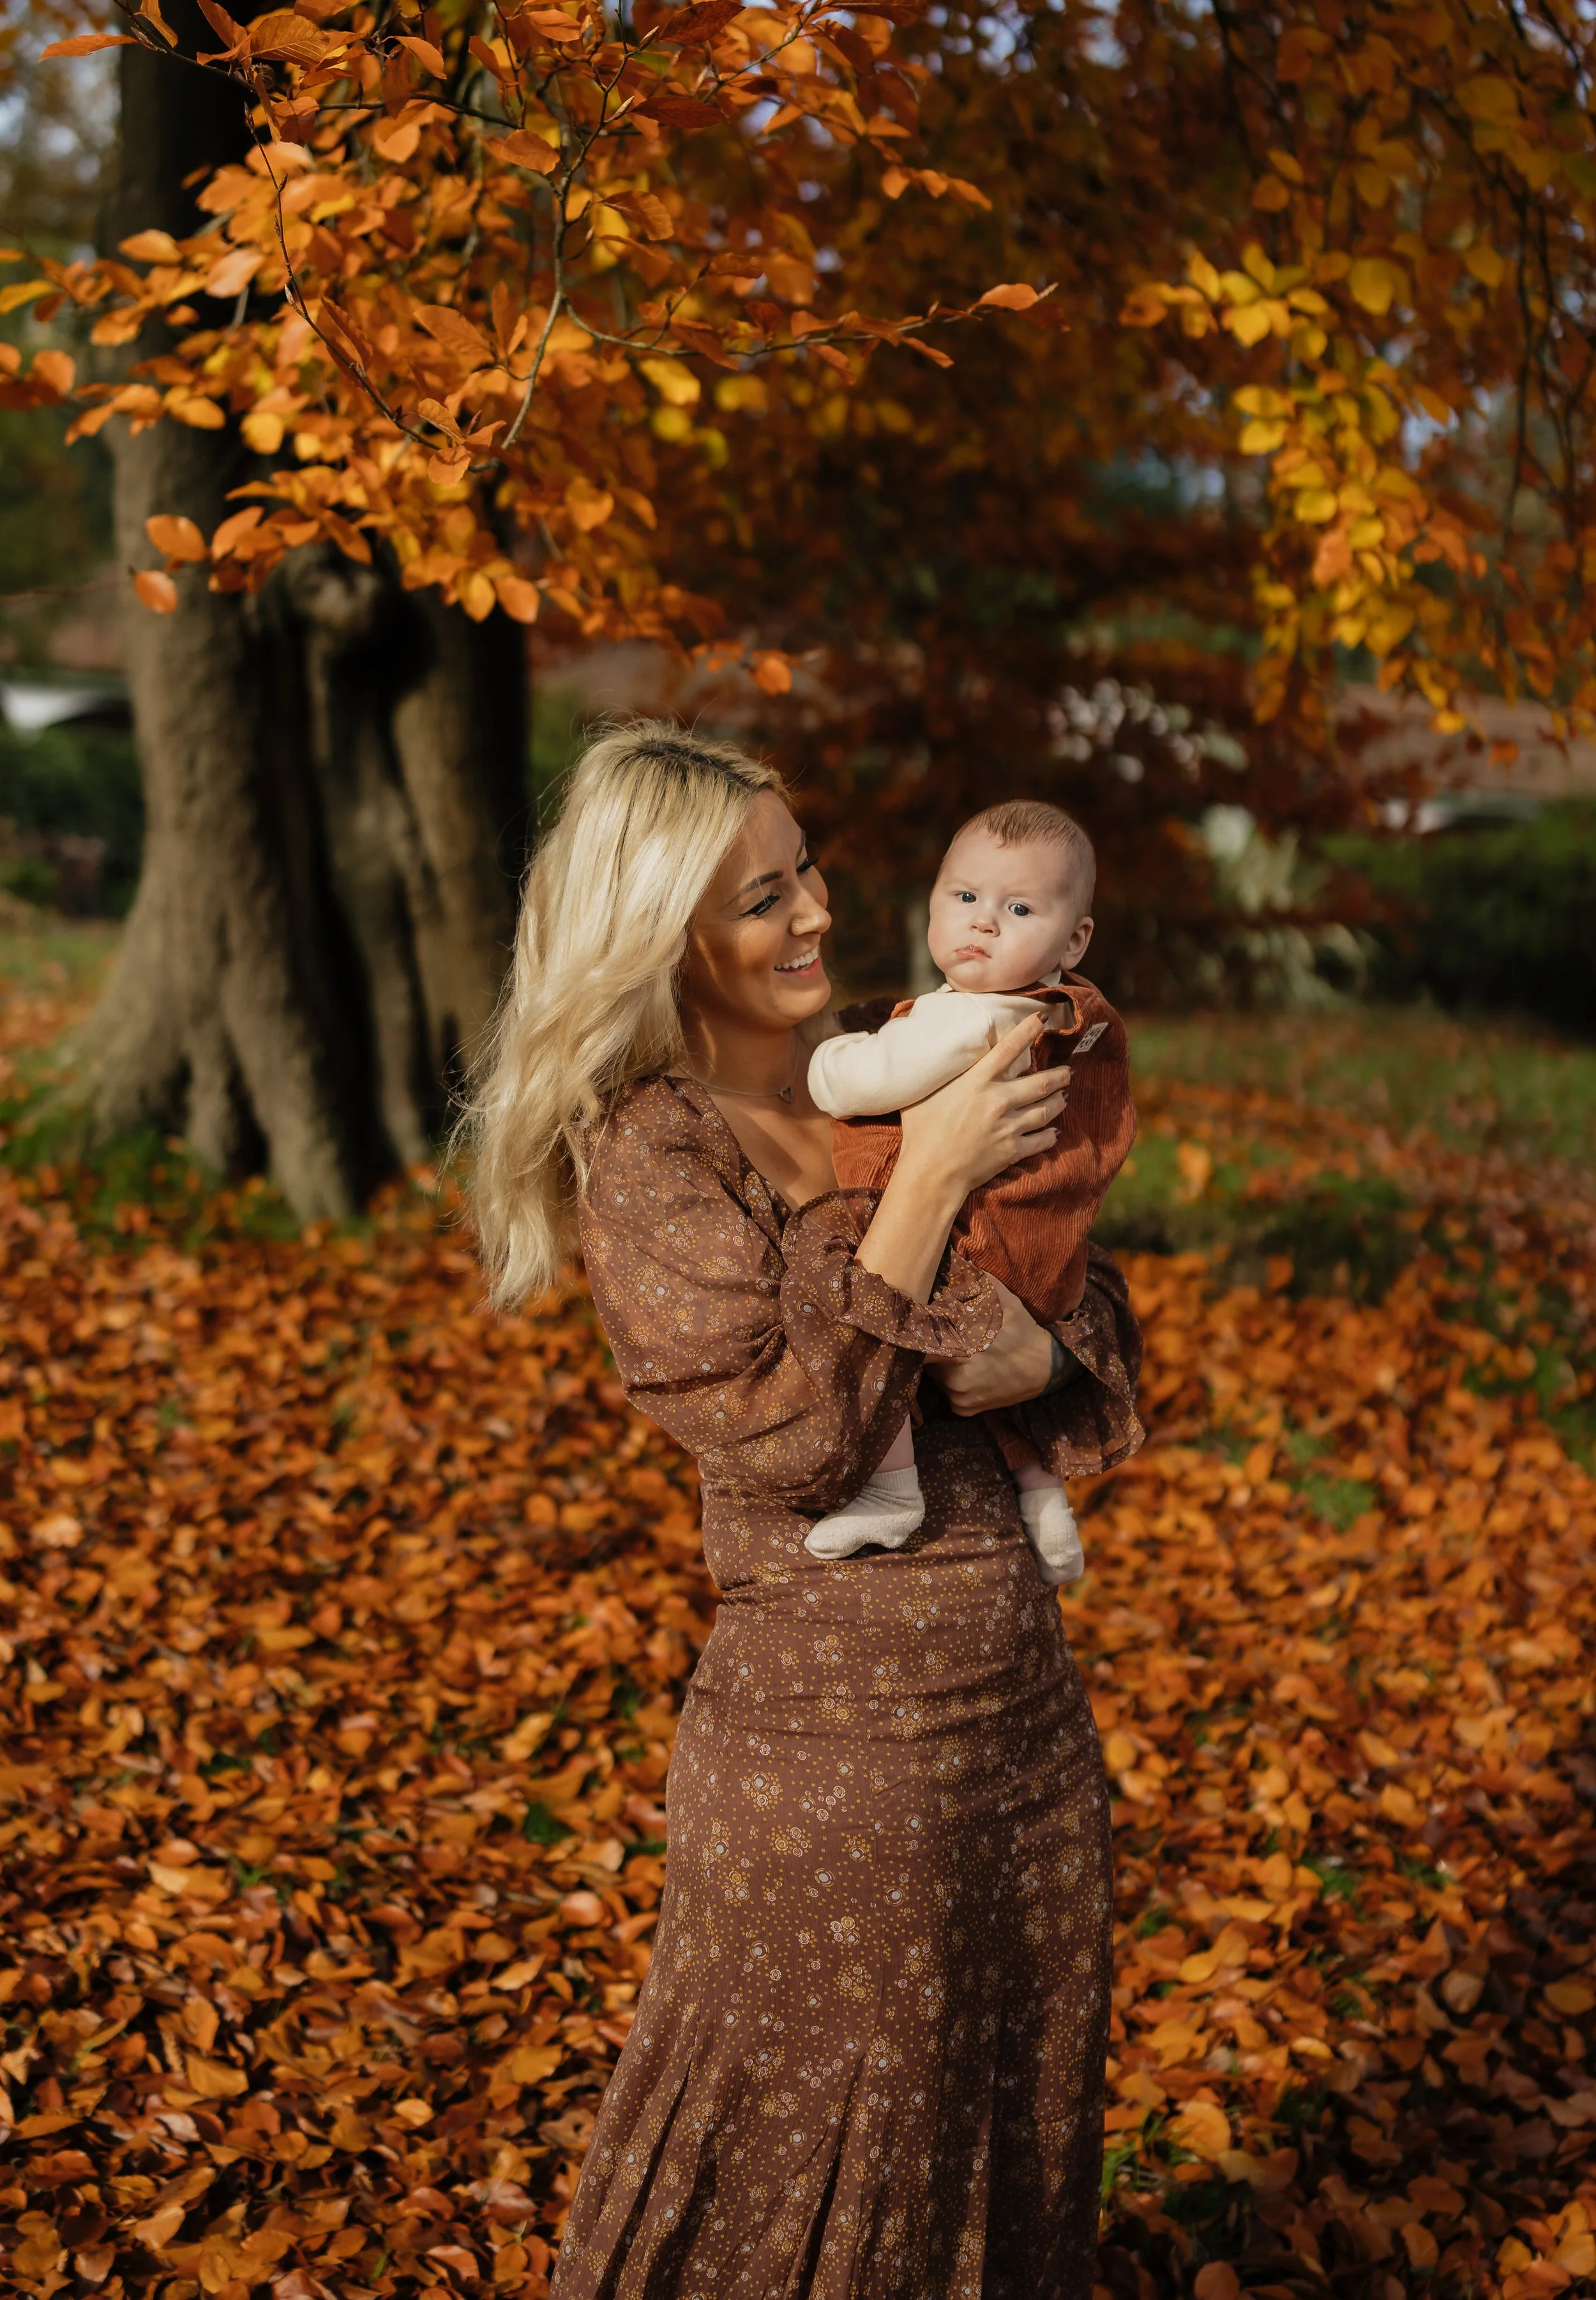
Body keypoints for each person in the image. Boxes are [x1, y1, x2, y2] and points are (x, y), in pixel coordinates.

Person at [466, 721, 1143, 2300]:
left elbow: (1089, 1311)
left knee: (996, 2134)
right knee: (813, 2179)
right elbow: (792, 1439)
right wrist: (925, 1183)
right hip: (841, 1768)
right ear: (667, 936)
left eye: (809, 870)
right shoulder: (656, 1149)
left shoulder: (918, 1062)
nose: (818, 913)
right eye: (763, 896)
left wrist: (1039, 1350)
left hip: (1025, 1732)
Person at [806, 801, 1135, 1587]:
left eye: (1017, 908)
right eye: (964, 898)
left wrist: (825, 1061)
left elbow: (864, 1075)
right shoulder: (1064, 1015)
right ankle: (1043, 1492)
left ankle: (888, 1486)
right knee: (984, 1369)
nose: (983, 923)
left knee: (883, 1313)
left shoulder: (974, 1018)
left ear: (1074, 938)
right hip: (1038, 1258)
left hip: (977, 1243)